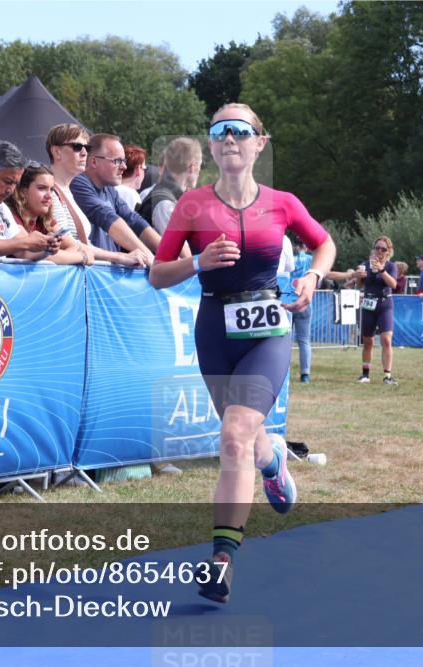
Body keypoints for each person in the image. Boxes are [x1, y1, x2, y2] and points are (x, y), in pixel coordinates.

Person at [148, 103, 335, 604]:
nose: (229, 137)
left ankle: (221, 561)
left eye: (240, 130)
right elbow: (157, 274)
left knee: (232, 435)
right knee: (244, 438)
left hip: (268, 330)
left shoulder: (282, 202)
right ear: (210, 146)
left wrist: (313, 277)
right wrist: (197, 262)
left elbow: (324, 244)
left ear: (259, 142)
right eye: (219, 131)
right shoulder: (191, 207)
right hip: (215, 328)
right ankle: (272, 461)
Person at [45, 123, 144, 267]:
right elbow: (67, 242)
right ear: (56, 152)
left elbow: (83, 244)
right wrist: (119, 257)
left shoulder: (68, 191)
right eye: (77, 147)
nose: (84, 152)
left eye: (87, 148)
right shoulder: (48, 191)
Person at [70, 133, 159, 264]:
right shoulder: (78, 182)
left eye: (124, 161)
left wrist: (167, 253)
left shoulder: (109, 189)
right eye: (117, 161)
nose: (124, 166)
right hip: (94, 276)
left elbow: (134, 220)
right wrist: (150, 258)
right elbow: (106, 216)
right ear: (94, 161)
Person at [7, 164, 89, 265]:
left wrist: (58, 254)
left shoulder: (45, 219)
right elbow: (27, 252)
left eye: (51, 190)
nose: (49, 196)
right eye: (42, 188)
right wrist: (83, 257)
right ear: (23, 191)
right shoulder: (10, 215)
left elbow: (74, 247)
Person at [355, 236, 399, 384]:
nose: (379, 251)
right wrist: (359, 278)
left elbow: (393, 284)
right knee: (368, 341)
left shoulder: (391, 266)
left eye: (383, 249)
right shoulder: (366, 265)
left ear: (388, 252)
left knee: (386, 339)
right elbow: (360, 285)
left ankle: (387, 376)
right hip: (368, 304)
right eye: (377, 248)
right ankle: (365, 374)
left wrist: (382, 270)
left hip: (384, 303)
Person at [138, 136, 202, 236]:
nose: (199, 172)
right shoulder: (165, 203)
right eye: (200, 165)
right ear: (192, 167)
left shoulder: (166, 195)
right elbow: (178, 250)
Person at [290, 241, 314, 383]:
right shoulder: (311, 260)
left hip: (288, 300)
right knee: (304, 340)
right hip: (305, 302)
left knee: (285, 340)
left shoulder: (289, 259)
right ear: (306, 246)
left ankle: (283, 371)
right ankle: (305, 374)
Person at [115, 144, 146, 210]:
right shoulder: (131, 195)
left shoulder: (109, 188)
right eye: (144, 168)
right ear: (138, 169)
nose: (144, 173)